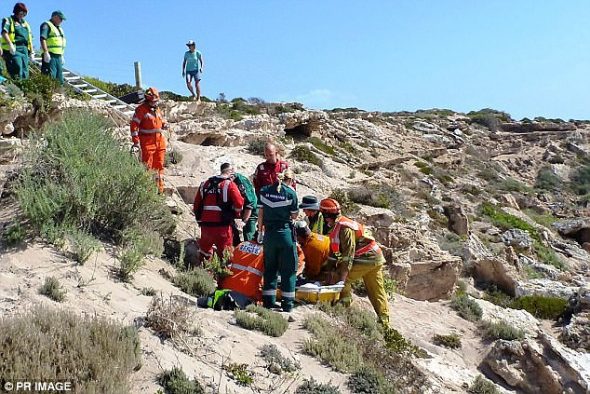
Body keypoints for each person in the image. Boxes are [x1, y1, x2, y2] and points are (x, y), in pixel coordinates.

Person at [319, 198, 390, 326]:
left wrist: (341, 276)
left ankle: (343, 306)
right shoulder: (337, 226)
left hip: (366, 258)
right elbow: (333, 253)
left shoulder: (344, 228)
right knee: (376, 290)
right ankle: (384, 322)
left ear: (326, 214)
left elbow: (348, 255)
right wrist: (328, 269)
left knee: (342, 280)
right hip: (375, 258)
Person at [257, 169, 298, 312]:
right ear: (291, 180)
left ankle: (268, 301)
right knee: (288, 269)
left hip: (269, 235)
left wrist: (260, 232)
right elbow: (293, 216)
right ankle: (287, 305)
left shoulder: (264, 191)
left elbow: (260, 213)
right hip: (285, 234)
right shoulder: (291, 193)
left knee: (270, 268)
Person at [193, 163, 244, 262]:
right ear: (230, 172)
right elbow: (239, 204)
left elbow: (196, 205)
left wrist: (200, 221)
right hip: (223, 227)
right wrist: (235, 215)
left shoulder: (205, 184)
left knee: (204, 253)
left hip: (206, 226)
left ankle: (204, 274)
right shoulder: (229, 184)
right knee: (226, 257)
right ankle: (222, 276)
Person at [130, 87, 168, 193]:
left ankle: (160, 190)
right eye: (153, 101)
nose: (155, 103)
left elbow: (160, 120)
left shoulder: (157, 109)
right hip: (147, 143)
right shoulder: (141, 110)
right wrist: (136, 142)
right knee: (148, 167)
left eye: (156, 101)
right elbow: (134, 126)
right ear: (148, 100)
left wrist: (165, 124)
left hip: (159, 142)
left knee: (160, 166)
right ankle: (148, 192)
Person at [1, 3, 34, 80]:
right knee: (17, 67)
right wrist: (10, 44)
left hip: (24, 49)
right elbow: (4, 32)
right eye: (21, 12)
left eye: (24, 13)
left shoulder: (26, 24)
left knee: (25, 71)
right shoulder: (9, 20)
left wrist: (32, 52)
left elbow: (29, 39)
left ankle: (24, 88)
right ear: (17, 11)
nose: (23, 15)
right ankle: (16, 87)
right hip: (14, 48)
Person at [231, 171, 258, 244]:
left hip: (252, 210)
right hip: (241, 208)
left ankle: (250, 253)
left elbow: (250, 203)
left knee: (248, 233)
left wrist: (244, 221)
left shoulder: (240, 182)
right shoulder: (229, 182)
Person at [40, 10, 66, 84]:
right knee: (50, 75)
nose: (61, 21)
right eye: (60, 19)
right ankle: (48, 93)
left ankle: (59, 93)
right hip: (50, 54)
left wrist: (62, 55)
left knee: (59, 77)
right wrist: (45, 52)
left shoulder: (59, 28)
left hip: (58, 56)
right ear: (55, 17)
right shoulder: (47, 25)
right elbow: (43, 38)